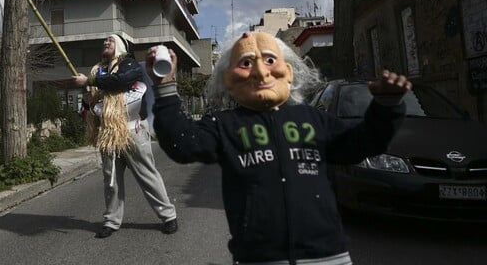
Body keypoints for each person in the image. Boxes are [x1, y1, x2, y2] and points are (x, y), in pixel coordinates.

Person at [146, 31, 411, 264]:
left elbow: (359, 145)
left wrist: (386, 108)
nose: (261, 72)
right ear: (229, 78)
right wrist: (165, 87)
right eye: (246, 63)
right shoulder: (224, 124)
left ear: (289, 70)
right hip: (258, 257)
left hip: (327, 255)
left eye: (270, 60)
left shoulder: (313, 118)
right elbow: (184, 145)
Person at [73, 34, 178, 238]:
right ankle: (112, 220)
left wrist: (90, 80)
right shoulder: (98, 70)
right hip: (108, 133)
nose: (105, 43)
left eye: (110, 41)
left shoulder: (129, 65)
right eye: (104, 41)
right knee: (110, 178)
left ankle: (168, 216)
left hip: (133, 129)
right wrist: (87, 100)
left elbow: (120, 81)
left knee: (147, 174)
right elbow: (94, 102)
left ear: (120, 46)